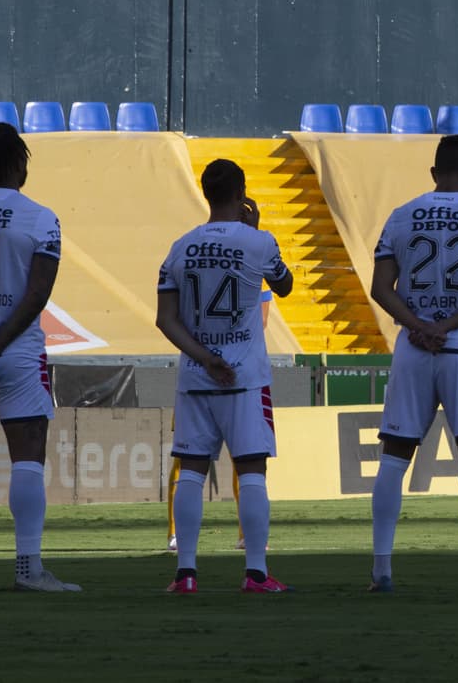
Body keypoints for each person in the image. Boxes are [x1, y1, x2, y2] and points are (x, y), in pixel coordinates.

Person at [369, 135, 458, 594]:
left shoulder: (401, 215)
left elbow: (381, 287)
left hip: (413, 348)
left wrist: (418, 324)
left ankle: (381, 572)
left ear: (434, 173)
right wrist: (448, 325)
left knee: (394, 457)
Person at [156, 159, 293, 594]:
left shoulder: (180, 246)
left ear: (205, 194)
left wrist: (204, 357)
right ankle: (255, 572)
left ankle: (186, 573)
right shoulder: (259, 242)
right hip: (245, 377)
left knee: (192, 471)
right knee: (252, 470)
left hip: (197, 375)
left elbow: (166, 319)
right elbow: (285, 285)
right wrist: (256, 229)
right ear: (242, 194)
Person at [0, 123, 79, 592]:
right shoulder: (41, 218)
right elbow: (37, 294)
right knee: (28, 453)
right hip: (12, 351)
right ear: (19, 162)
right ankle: (28, 568)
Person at [166, 287, 272, 553]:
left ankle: (241, 538)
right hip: (223, 371)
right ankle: (179, 535)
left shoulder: (191, 256)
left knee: (229, 461)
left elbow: (167, 318)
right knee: (192, 461)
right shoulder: (252, 256)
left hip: (212, 371)